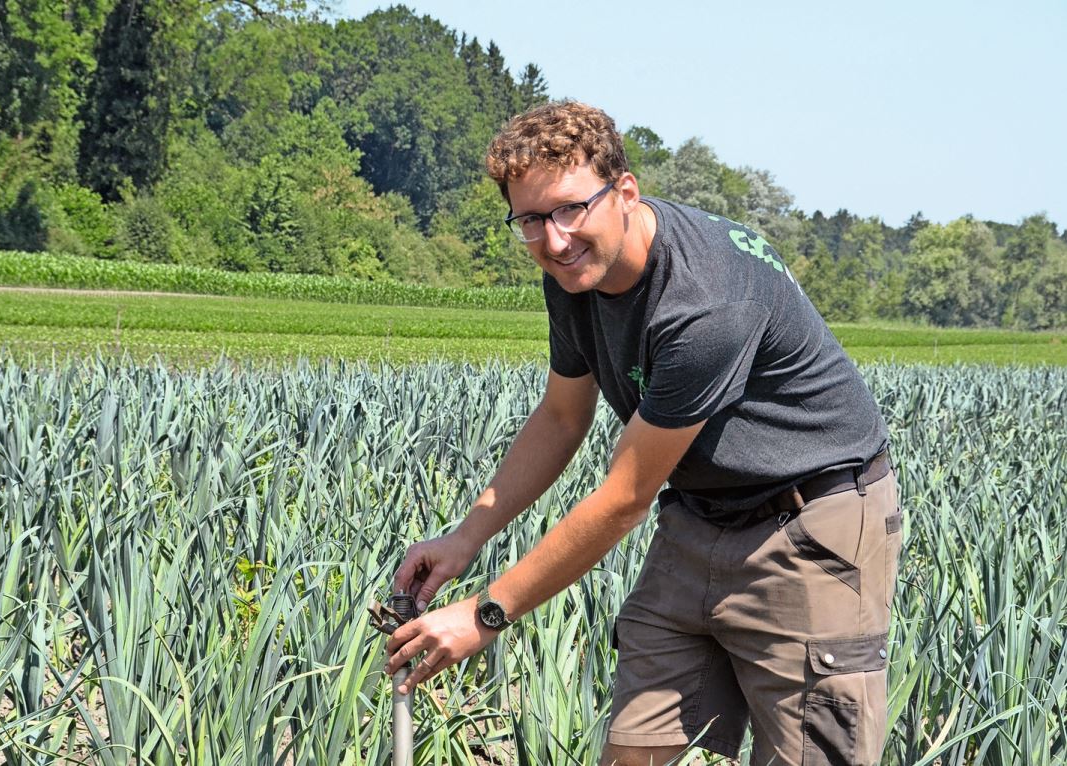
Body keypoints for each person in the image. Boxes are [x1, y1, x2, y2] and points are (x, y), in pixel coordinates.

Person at [384, 100, 901, 766]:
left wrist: (485, 614)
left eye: (572, 208)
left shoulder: (706, 300)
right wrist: (466, 537)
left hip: (812, 527)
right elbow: (562, 416)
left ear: (624, 191)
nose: (555, 238)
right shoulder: (573, 271)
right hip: (697, 518)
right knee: (634, 751)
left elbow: (624, 497)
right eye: (531, 220)